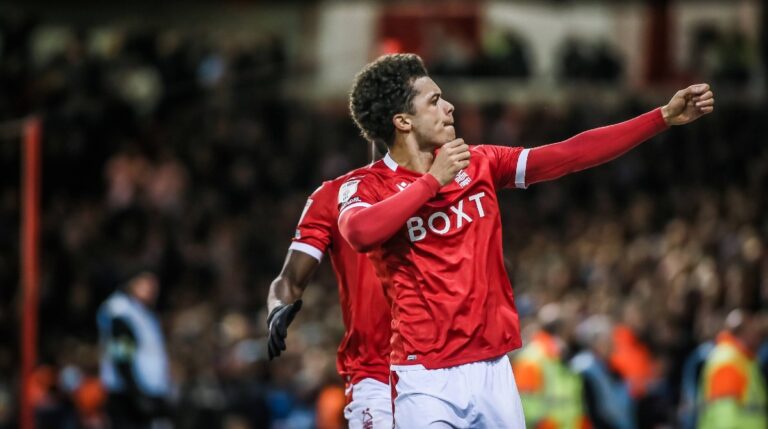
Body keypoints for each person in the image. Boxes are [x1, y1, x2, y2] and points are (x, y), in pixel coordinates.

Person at [336, 53, 714, 427]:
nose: (449, 107)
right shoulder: (367, 186)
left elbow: (570, 154)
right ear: (403, 121)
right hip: (424, 378)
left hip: (493, 371)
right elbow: (359, 233)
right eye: (434, 101)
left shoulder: (479, 162)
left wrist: (661, 117)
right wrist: (434, 180)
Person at [266, 166, 393, 428]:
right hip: (375, 371)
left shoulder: (446, 181)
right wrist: (277, 307)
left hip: (446, 363)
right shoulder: (332, 195)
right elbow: (289, 279)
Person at [96, 270, 171, 429]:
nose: (151, 289)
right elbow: (122, 355)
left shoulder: (144, 313)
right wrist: (135, 393)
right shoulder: (121, 312)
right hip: (127, 394)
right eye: (145, 282)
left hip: (148, 391)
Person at [512, 303, 589, 429]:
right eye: (572, 327)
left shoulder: (562, 357)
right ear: (563, 330)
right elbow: (525, 406)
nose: (576, 332)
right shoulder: (531, 359)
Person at [697, 309, 767, 429]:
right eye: (754, 332)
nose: (758, 338)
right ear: (743, 333)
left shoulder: (742, 359)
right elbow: (725, 416)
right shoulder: (728, 361)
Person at [571, 315, 635, 429]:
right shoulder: (584, 369)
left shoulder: (614, 371)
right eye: (606, 339)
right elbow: (592, 412)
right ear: (593, 342)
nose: (612, 343)